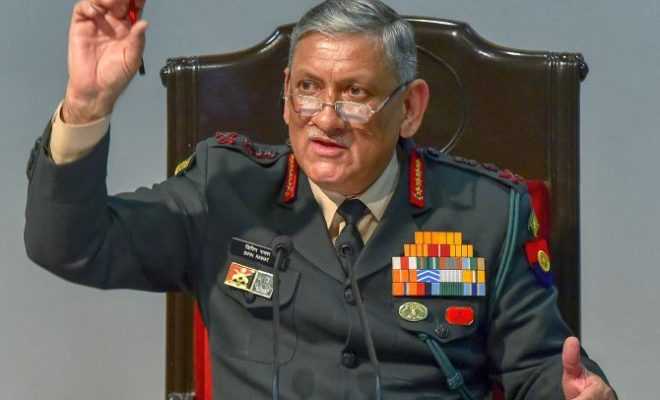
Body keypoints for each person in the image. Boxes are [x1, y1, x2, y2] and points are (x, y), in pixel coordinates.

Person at [24, 0, 616, 398]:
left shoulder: (487, 213)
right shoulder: (223, 191)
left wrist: (581, 392)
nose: (325, 120)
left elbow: (541, 367)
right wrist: (87, 104)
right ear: (285, 95)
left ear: (410, 108)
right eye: (308, 89)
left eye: (355, 94)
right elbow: (70, 245)